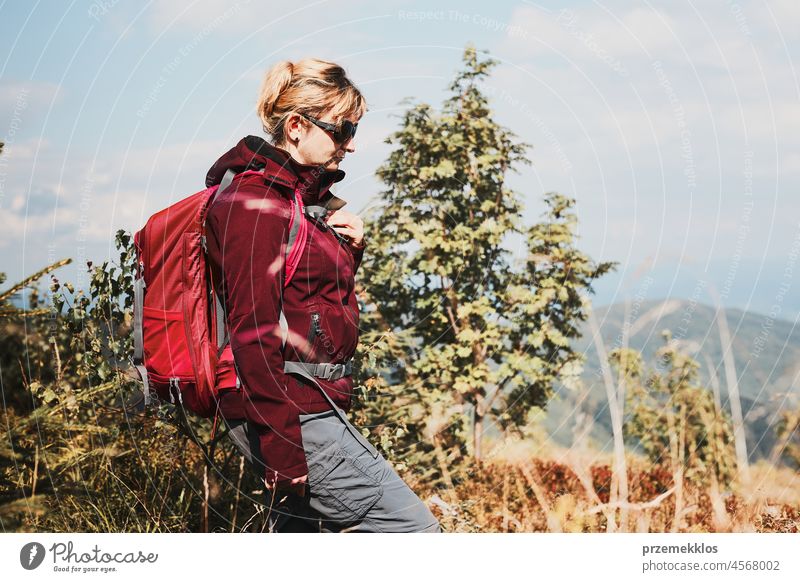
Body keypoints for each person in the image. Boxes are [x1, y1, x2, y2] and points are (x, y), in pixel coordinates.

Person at [203, 58, 441, 533]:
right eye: (342, 128)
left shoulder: (294, 200)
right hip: (292, 408)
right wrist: (283, 447)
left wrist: (349, 253)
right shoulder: (256, 207)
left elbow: (305, 303)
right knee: (413, 532)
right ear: (295, 126)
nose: (351, 142)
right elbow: (253, 332)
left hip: (306, 400)